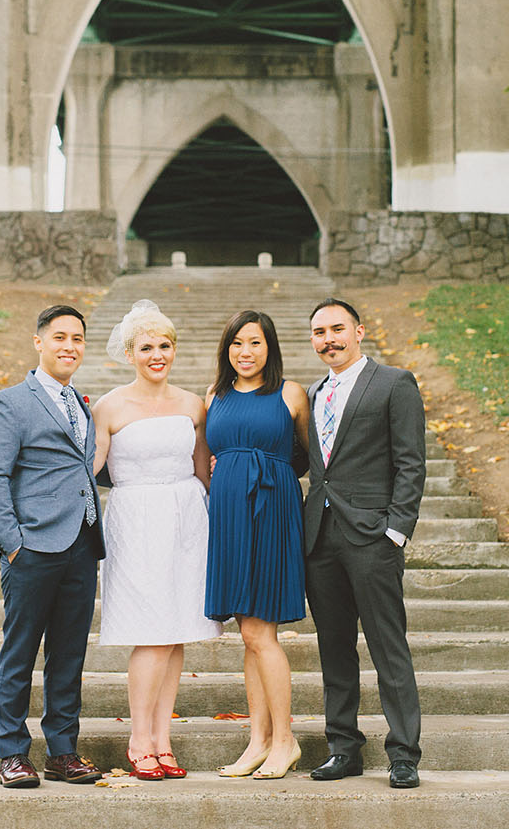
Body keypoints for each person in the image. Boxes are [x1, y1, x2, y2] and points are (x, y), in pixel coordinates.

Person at [91, 300, 223, 780]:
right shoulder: (108, 406)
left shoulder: (193, 404)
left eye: (164, 345)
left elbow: (204, 470)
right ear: (129, 353)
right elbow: (92, 471)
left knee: (176, 631)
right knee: (149, 633)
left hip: (187, 519)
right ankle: (138, 738)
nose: (157, 354)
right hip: (136, 519)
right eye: (146, 347)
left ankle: (163, 737)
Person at [0, 305, 106, 789]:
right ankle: (12, 753)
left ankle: (62, 752)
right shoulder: (12, 401)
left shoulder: (82, 405)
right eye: (60, 337)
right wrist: (12, 543)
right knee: (20, 652)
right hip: (31, 549)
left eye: (78, 339)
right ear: (38, 342)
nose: (69, 346)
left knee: (69, 655)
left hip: (81, 545)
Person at [301, 297, 426, 789]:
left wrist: (396, 528)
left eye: (336, 329)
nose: (327, 339)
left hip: (374, 537)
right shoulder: (312, 392)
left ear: (359, 331)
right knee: (333, 648)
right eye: (318, 332)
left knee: (387, 645)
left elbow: (411, 461)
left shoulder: (394, 384)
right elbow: (312, 461)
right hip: (321, 539)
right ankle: (343, 748)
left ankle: (403, 753)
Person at [203, 309, 312, 780]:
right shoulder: (214, 395)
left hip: (271, 510)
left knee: (259, 634)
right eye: (236, 344)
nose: (245, 352)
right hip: (228, 516)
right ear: (226, 350)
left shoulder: (291, 393)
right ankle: (258, 740)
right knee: (249, 637)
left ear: (270, 347)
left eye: (255, 343)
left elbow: (309, 457)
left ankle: (284, 740)